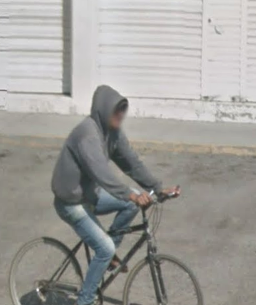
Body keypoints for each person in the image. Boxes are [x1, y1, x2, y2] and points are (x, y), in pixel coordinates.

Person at [52, 85, 179, 305]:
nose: (120, 114)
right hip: (71, 202)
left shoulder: (113, 133)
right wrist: (129, 194)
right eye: (116, 110)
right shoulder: (87, 134)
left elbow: (131, 163)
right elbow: (101, 172)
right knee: (106, 247)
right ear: (103, 109)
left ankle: (108, 254)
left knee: (132, 204)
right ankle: (85, 299)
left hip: (89, 195)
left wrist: (157, 188)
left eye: (123, 109)